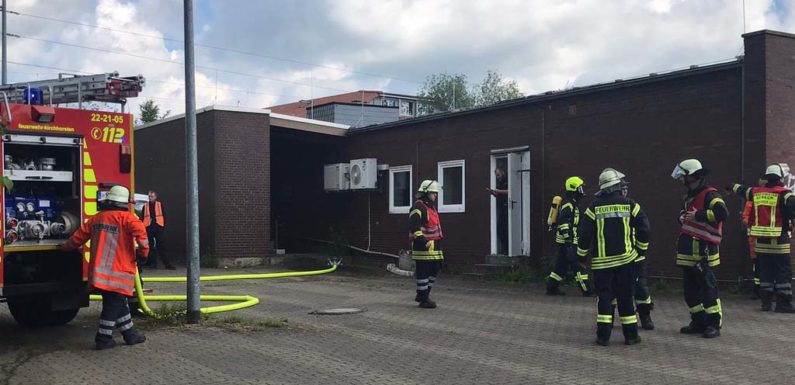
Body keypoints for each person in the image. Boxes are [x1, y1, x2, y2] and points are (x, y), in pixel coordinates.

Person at [62, 185, 149, 350]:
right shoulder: (129, 219)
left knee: (118, 302)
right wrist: (143, 255)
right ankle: (103, 338)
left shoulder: (97, 218)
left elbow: (78, 237)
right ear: (124, 202)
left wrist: (64, 247)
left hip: (99, 273)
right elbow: (143, 240)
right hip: (119, 272)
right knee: (113, 305)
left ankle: (130, 334)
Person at [577, 168, 650, 346]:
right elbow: (644, 227)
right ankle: (631, 336)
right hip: (626, 262)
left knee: (604, 299)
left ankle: (603, 337)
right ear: (617, 186)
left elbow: (584, 234)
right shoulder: (630, 204)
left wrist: (581, 256)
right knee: (626, 298)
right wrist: (641, 250)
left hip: (602, 265)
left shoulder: (593, 207)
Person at [672, 159, 728, 338]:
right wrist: (682, 217)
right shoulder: (689, 195)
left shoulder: (710, 194)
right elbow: (685, 216)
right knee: (690, 291)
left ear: (692, 176)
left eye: (683, 176)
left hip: (704, 250)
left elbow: (722, 213)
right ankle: (698, 321)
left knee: (707, 288)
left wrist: (699, 215)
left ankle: (713, 324)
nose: (681, 179)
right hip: (688, 249)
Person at [731, 164, 795, 313]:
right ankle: (783, 304)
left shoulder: (756, 192)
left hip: (761, 243)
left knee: (765, 273)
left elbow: (742, 190)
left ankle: (766, 303)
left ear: (767, 178)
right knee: (783, 273)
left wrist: (731, 186)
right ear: (780, 178)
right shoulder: (784, 194)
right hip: (779, 242)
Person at [546, 176, 594, 296]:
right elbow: (564, 222)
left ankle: (551, 288)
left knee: (561, 266)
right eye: (580, 188)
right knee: (577, 265)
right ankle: (587, 290)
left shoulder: (573, 204)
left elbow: (578, 220)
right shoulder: (568, 205)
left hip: (567, 242)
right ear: (574, 188)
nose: (582, 191)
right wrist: (568, 240)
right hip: (568, 242)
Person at [621, 182, 655, 330]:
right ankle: (607, 319)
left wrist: (640, 250)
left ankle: (645, 316)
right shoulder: (609, 206)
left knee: (641, 288)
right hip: (619, 257)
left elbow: (643, 227)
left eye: (626, 189)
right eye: (622, 189)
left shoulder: (632, 206)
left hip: (636, 256)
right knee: (613, 290)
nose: (624, 191)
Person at [410, 180, 444, 309]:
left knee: (434, 270)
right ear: (426, 193)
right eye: (433, 193)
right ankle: (423, 298)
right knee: (423, 273)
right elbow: (414, 227)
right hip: (424, 247)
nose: (435, 195)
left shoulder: (430, 207)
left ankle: (424, 295)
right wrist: (423, 241)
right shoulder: (418, 207)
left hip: (434, 247)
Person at [741, 178, 767, 300]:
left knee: (767, 264)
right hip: (755, 239)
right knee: (757, 264)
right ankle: (757, 289)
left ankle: (766, 290)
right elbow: (745, 218)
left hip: (768, 237)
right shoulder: (752, 199)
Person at [141, 190, 175, 270]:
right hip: (149, 227)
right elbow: (143, 217)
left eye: (152, 196)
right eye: (149, 196)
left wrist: (163, 226)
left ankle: (167, 264)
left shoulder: (160, 205)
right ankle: (152, 263)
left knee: (161, 246)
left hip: (158, 227)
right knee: (150, 246)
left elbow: (164, 215)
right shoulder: (145, 206)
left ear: (155, 197)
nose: (150, 198)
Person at [488, 166, 509, 255]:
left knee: (506, 229)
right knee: (500, 230)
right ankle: (504, 248)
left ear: (503, 172)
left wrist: (498, 191)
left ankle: (507, 249)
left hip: (508, 208)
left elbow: (510, 191)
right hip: (501, 209)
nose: (497, 177)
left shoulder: (508, 180)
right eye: (496, 176)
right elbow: (499, 195)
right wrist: (493, 193)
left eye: (498, 175)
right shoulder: (499, 183)